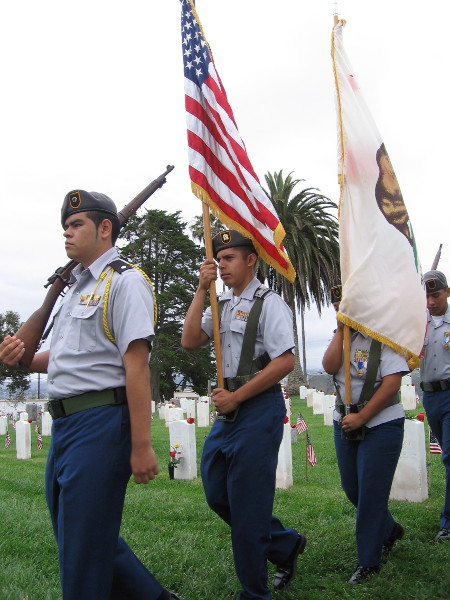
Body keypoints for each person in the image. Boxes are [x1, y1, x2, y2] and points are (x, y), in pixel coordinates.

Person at [0, 190, 182, 600]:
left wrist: (141, 445)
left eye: (76, 224)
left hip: (101, 424)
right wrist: (22, 358)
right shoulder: (75, 288)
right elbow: (66, 358)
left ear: (105, 228)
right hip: (66, 426)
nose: (67, 232)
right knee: (76, 534)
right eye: (65, 225)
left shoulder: (126, 281)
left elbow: (136, 365)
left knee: (82, 552)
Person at [181, 229, 306, 600]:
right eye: (219, 260)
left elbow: (286, 360)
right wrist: (201, 290)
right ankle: (283, 544)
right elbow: (189, 340)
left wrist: (238, 398)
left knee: (248, 505)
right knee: (216, 489)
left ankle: (254, 592)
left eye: (229, 258)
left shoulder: (270, 303)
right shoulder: (218, 303)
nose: (222, 266)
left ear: (251, 259)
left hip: (257, 406)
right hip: (228, 410)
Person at [322, 313, 408, 585]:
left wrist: (362, 416)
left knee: (370, 494)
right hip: (345, 420)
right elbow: (328, 365)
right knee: (353, 488)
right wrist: (339, 331)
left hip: (381, 423)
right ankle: (389, 528)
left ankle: (368, 561)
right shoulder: (344, 337)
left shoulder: (385, 335)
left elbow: (392, 382)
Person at [420, 270, 450, 542]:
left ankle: (448, 522)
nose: (430, 301)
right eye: (427, 295)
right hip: (430, 397)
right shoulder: (419, 323)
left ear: (447, 292)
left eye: (436, 295)